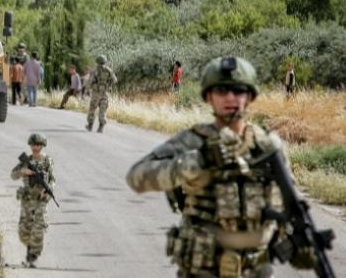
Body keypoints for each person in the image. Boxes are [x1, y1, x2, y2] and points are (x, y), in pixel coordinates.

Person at [126, 56, 318, 278]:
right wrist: (197, 161)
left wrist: (300, 245)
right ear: (208, 96)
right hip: (202, 270)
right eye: (221, 91)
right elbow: (137, 178)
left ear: (250, 96)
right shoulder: (193, 141)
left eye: (238, 90)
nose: (230, 97)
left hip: (257, 270)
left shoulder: (268, 147)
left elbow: (290, 204)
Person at [11, 133, 55, 268]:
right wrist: (24, 171)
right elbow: (13, 175)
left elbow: (52, 179)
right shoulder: (26, 161)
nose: (36, 148)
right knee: (24, 231)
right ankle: (29, 247)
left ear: (43, 146)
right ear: (30, 145)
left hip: (41, 199)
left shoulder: (47, 161)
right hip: (27, 199)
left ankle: (33, 255)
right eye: (34, 145)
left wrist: (47, 189)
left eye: (39, 145)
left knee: (38, 227)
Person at [86, 55, 118, 133]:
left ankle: (90, 125)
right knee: (102, 110)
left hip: (96, 93)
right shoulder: (109, 70)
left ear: (97, 61)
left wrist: (87, 89)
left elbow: (90, 81)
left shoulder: (95, 70)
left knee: (92, 108)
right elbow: (115, 80)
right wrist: (108, 85)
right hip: (105, 93)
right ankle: (101, 127)